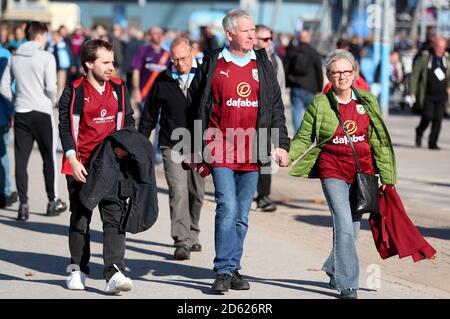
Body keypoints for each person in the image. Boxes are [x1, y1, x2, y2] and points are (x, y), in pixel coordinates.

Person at [288, 49, 397, 299]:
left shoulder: (367, 101)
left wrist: (387, 177)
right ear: (328, 75)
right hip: (332, 170)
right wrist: (288, 154)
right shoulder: (320, 104)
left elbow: (378, 141)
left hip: (362, 173)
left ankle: (332, 266)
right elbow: (305, 137)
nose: (342, 77)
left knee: (354, 229)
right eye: (336, 73)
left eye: (346, 71)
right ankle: (348, 284)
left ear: (354, 73)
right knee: (344, 224)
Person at [194, 9, 290, 294]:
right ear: (229, 34)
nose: (252, 35)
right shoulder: (213, 62)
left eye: (253, 31)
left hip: (254, 150)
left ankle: (234, 267)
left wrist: (281, 144)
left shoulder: (263, 64)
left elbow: (275, 108)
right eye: (246, 31)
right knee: (227, 206)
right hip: (220, 147)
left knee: (242, 214)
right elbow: (197, 106)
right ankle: (223, 270)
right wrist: (195, 149)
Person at [58, 39, 135, 294]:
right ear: (89, 64)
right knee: (80, 220)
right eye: (105, 62)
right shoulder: (74, 91)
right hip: (81, 165)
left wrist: (126, 145)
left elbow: (129, 120)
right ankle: (77, 270)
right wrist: (72, 158)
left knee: (114, 218)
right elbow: (66, 127)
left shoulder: (119, 88)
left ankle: (114, 272)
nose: (111, 67)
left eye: (112, 62)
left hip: (112, 165)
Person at [139, 37, 205, 261]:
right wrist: (141, 142)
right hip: (171, 143)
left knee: (197, 192)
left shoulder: (205, 76)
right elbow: (149, 114)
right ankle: (181, 239)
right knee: (178, 191)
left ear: (192, 53)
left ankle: (193, 233)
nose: (180, 63)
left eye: (184, 58)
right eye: (175, 59)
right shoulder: (163, 79)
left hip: (200, 144)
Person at [0, 21, 67, 221]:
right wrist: (52, 100)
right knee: (49, 158)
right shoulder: (47, 56)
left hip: (21, 111)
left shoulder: (14, 57)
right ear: (40, 35)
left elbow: (4, 86)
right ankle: (53, 200)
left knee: (21, 160)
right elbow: (50, 86)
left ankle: (23, 203)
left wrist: (16, 101)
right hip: (42, 112)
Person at [253, 24, 286, 212]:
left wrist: (278, 117)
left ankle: (263, 196)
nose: (269, 42)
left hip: (268, 118)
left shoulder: (275, 61)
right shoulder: (246, 59)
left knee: (265, 159)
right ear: (254, 39)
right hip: (247, 119)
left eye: (270, 38)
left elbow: (279, 90)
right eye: (265, 39)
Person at [131, 26, 171, 164]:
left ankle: (155, 154)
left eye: (160, 33)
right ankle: (141, 152)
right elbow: (136, 71)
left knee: (160, 124)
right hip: (144, 95)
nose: (158, 35)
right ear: (149, 36)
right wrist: (136, 90)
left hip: (161, 98)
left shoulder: (167, 54)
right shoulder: (143, 51)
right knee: (145, 125)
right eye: (155, 33)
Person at [410, 37, 450, 150]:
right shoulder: (425, 57)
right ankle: (419, 130)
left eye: (443, 47)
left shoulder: (447, 58)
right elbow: (415, 75)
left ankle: (433, 142)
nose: (441, 50)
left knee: (438, 118)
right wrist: (412, 92)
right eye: (439, 47)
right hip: (427, 94)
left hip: (442, 94)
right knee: (427, 116)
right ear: (434, 46)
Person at [284, 30, 323, 132]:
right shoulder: (314, 52)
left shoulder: (293, 51)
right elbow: (319, 70)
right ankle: (312, 134)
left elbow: (286, 68)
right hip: (311, 87)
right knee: (312, 114)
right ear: (309, 39)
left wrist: (287, 84)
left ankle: (298, 136)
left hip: (296, 86)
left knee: (297, 113)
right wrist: (320, 87)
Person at [0, 42, 17, 208]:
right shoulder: (5, 54)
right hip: (2, 113)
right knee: (2, 153)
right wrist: (11, 112)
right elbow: (9, 86)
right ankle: (4, 192)